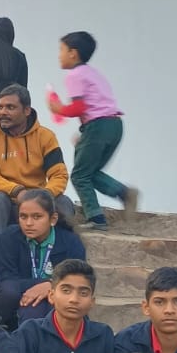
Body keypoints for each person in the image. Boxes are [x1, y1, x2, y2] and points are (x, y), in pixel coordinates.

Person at [45, 32, 138, 229]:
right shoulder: (93, 73)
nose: (59, 55)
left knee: (79, 175)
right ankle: (124, 193)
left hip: (98, 126)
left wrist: (59, 109)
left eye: (61, 50)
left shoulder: (74, 75)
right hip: (113, 125)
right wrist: (86, 134)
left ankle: (96, 217)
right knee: (90, 172)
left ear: (73, 53)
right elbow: (98, 105)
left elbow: (79, 107)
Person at [0, 86, 72, 232]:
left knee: (63, 202)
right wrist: (17, 191)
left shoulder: (46, 136)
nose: (3, 112)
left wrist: (43, 195)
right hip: (8, 200)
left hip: (38, 200)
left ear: (26, 110)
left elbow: (59, 175)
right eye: (0, 107)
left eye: (10, 107)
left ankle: (58, 246)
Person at [0, 188, 87, 329]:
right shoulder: (9, 237)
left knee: (43, 307)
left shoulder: (70, 242)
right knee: (10, 293)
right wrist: (44, 284)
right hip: (19, 296)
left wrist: (51, 286)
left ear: (53, 219)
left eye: (37, 217)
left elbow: (78, 278)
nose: (29, 223)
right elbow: (5, 277)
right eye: (23, 217)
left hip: (55, 298)